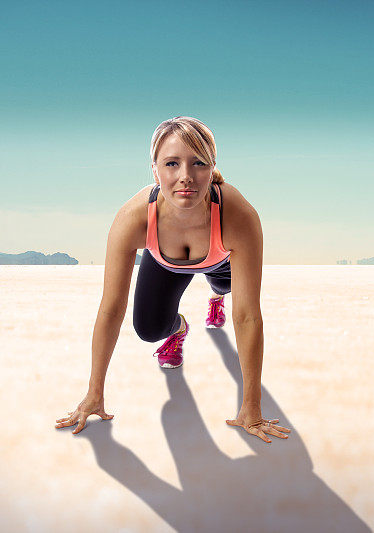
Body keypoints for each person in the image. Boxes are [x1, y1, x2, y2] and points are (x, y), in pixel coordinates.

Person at [55, 116, 290, 444]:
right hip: (167, 262)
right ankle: (180, 328)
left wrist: (251, 407)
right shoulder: (132, 218)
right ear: (154, 170)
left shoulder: (239, 216)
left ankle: (215, 298)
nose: (186, 177)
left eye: (198, 163)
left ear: (212, 167)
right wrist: (94, 393)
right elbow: (111, 308)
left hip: (221, 260)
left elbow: (248, 316)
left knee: (223, 285)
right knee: (148, 329)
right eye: (171, 163)